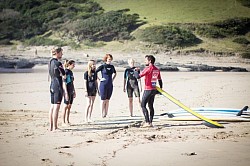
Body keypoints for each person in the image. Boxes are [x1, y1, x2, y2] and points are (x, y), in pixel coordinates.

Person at [134, 55, 163, 127]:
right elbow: (160, 80)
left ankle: (147, 122)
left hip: (148, 89)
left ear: (150, 61)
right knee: (150, 106)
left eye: (146, 60)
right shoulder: (156, 69)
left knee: (143, 105)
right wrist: (161, 89)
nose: (144, 61)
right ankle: (150, 121)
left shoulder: (148, 68)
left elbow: (138, 76)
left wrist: (135, 71)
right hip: (153, 90)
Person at [48, 47, 68, 131]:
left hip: (52, 84)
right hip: (58, 86)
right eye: (61, 53)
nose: (62, 54)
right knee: (56, 107)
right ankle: (55, 127)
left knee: (52, 106)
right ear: (57, 53)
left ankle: (51, 127)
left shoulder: (50, 62)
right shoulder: (57, 63)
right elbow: (64, 75)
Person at [62, 60, 76, 126]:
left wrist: (74, 91)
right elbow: (64, 82)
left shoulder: (71, 72)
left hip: (71, 90)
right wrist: (66, 93)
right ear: (69, 65)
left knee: (69, 106)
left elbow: (72, 82)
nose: (74, 66)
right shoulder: (66, 72)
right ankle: (63, 121)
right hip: (67, 90)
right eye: (73, 65)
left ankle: (67, 120)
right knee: (65, 106)